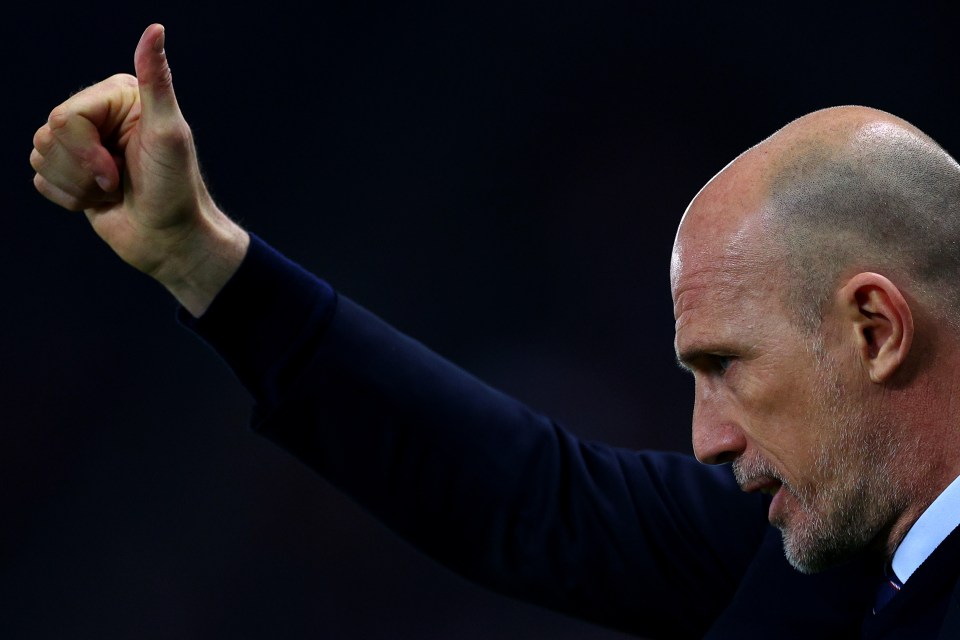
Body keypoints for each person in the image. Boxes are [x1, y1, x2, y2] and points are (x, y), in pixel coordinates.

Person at [30, 23, 960, 638]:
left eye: (727, 365)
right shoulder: (807, 550)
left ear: (875, 329)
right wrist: (196, 256)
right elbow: (525, 498)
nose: (706, 440)